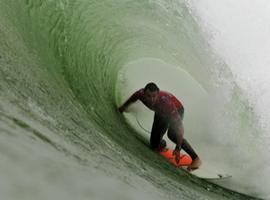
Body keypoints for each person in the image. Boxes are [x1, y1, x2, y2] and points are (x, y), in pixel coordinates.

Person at [118, 82, 202, 171]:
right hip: (160, 112)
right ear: (144, 93)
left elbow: (180, 127)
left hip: (176, 109)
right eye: (148, 96)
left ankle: (196, 158)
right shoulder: (140, 94)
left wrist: (178, 147)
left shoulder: (166, 103)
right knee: (154, 145)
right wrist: (122, 108)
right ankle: (161, 143)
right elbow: (132, 99)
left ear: (158, 94)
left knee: (172, 134)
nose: (151, 99)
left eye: (154, 96)